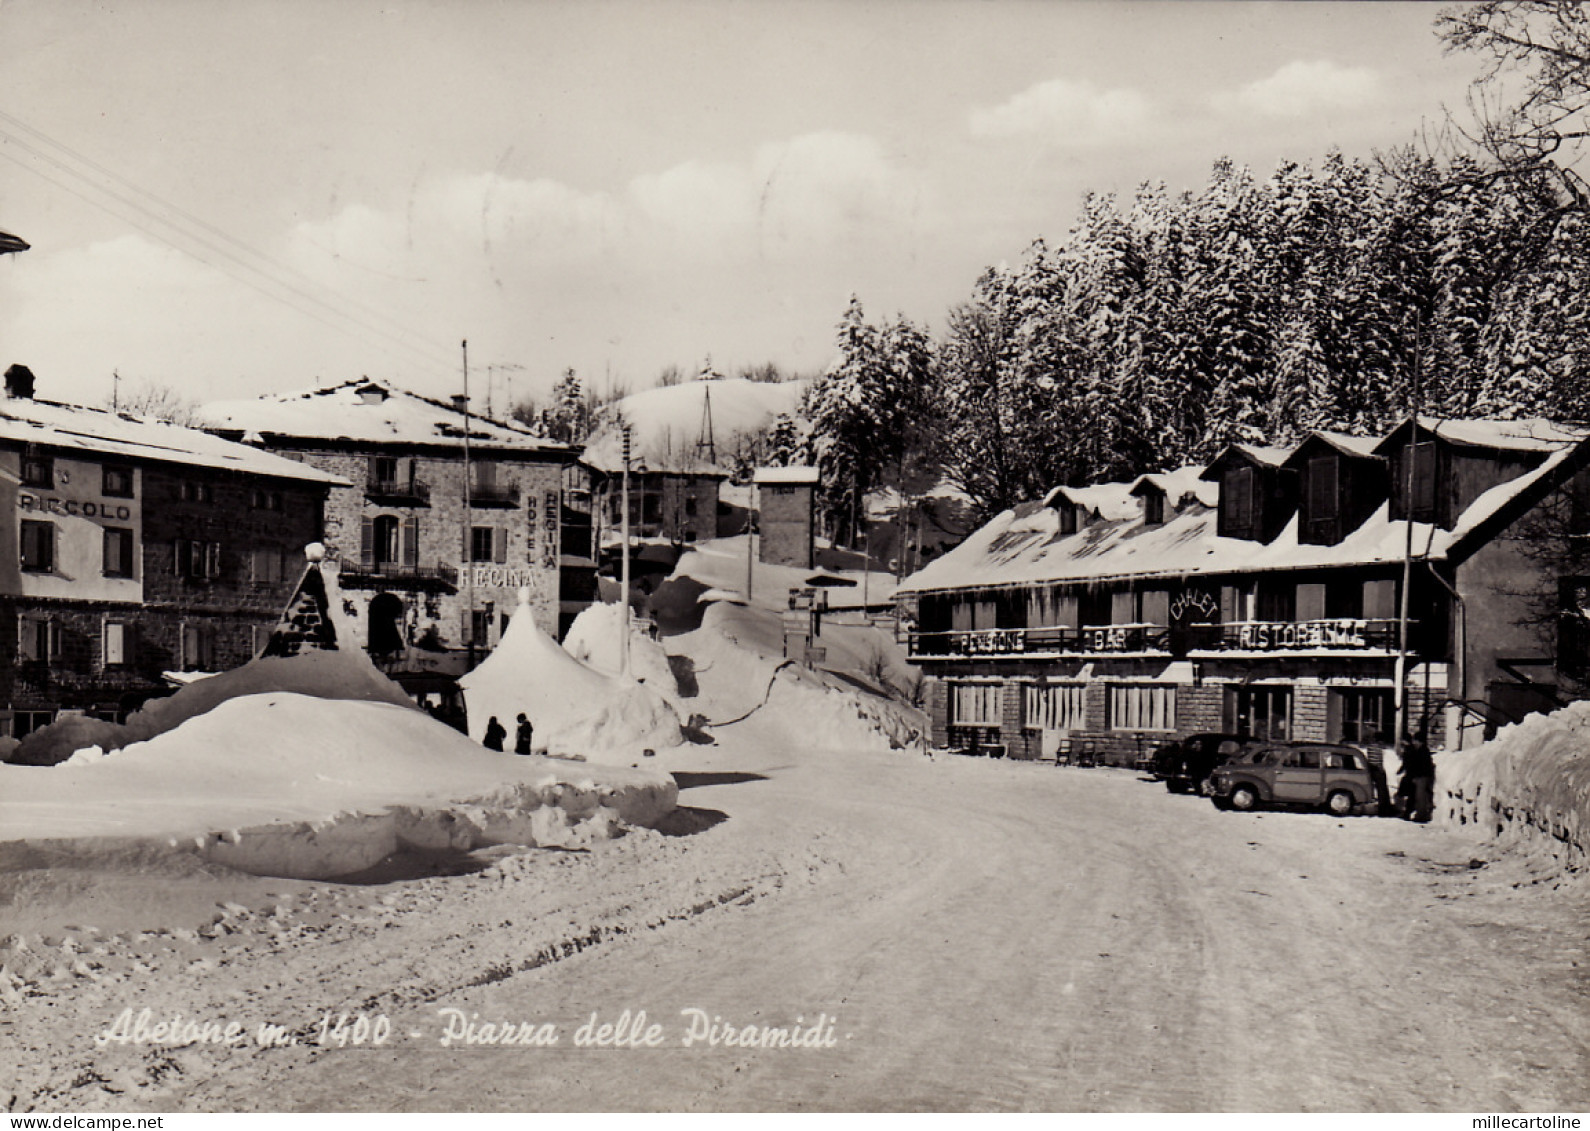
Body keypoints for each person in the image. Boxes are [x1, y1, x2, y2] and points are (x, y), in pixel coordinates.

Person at [1399, 730, 1436, 823]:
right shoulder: (1418, 750)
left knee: (1420, 797)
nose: (1414, 742)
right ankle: (1415, 813)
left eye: (1415, 740)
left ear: (1420, 741)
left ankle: (1421, 816)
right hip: (1418, 776)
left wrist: (1417, 776)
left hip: (1422, 777)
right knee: (1416, 795)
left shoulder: (1423, 751)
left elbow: (1422, 766)